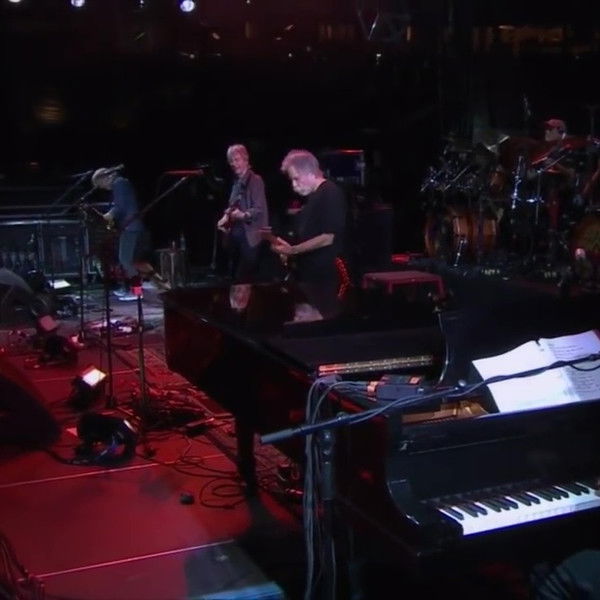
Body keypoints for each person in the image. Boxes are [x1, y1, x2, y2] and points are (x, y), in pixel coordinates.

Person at [271, 149, 347, 319]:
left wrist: (294, 250)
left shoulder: (331, 193)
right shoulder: (314, 197)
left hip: (325, 278)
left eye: (296, 179)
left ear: (310, 172)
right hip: (311, 277)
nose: (294, 185)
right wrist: (288, 248)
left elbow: (328, 237)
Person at [91, 167, 149, 301]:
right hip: (129, 226)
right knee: (125, 260)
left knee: (125, 260)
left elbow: (120, 206)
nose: (103, 188)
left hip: (130, 226)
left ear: (105, 178)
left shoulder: (119, 184)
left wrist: (108, 215)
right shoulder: (122, 183)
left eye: (100, 184)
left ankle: (137, 292)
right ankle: (131, 289)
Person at [217, 144, 268, 282]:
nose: (234, 164)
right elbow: (232, 205)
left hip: (251, 237)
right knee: (233, 277)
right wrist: (225, 217)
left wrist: (243, 215)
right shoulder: (236, 183)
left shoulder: (256, 180)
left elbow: (259, 209)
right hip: (236, 238)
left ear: (246, 159)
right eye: (231, 161)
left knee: (244, 279)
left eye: (237, 160)